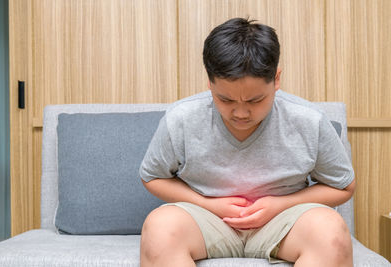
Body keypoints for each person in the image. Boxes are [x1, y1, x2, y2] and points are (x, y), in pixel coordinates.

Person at [139, 17, 355, 267]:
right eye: (226, 100)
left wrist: (280, 205)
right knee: (159, 227)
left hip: (285, 222)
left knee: (331, 232)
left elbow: (343, 186)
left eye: (254, 101)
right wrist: (209, 204)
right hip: (205, 219)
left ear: (276, 79)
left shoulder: (309, 120)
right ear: (210, 82)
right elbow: (152, 176)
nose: (240, 113)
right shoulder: (182, 118)